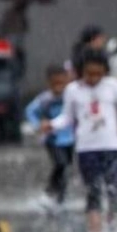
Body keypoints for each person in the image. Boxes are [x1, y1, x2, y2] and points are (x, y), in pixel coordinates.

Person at [44, 49, 117, 232]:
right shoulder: (73, 90)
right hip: (86, 148)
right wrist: (52, 125)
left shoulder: (112, 86)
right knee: (93, 192)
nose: (94, 78)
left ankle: (114, 227)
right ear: (81, 71)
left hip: (111, 147)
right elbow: (66, 117)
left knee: (115, 191)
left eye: (98, 74)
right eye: (89, 74)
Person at [24, 64, 74, 207]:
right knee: (60, 164)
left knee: (66, 168)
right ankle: (50, 191)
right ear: (49, 83)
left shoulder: (70, 97)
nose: (58, 87)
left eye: (62, 83)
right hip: (53, 139)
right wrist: (38, 125)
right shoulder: (45, 99)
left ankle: (60, 198)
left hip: (70, 138)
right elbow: (30, 111)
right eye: (55, 84)